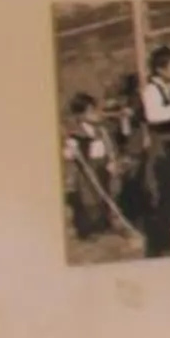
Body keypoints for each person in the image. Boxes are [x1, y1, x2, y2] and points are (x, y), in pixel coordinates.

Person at [135, 46, 170, 255]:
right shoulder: (151, 90)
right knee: (165, 191)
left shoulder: (167, 88)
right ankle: (161, 239)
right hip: (162, 147)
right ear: (160, 69)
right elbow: (153, 116)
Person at [62, 94, 117, 242]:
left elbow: (109, 147)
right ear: (80, 115)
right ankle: (86, 230)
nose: (97, 114)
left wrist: (111, 160)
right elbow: (68, 155)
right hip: (86, 171)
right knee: (88, 198)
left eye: (96, 110)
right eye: (92, 111)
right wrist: (70, 151)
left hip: (101, 167)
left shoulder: (102, 130)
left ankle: (104, 224)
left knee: (104, 194)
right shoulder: (75, 134)